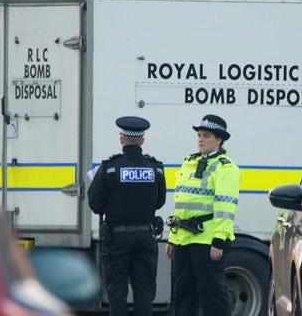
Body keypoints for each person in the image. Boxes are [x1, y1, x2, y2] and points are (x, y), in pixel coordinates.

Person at [87, 116, 166, 316]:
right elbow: (160, 202)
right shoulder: (155, 168)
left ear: (121, 140)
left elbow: (95, 204)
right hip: (145, 237)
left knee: (117, 293)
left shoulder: (109, 168)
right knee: (144, 293)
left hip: (117, 239)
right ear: (142, 141)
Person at [164, 114, 241, 316]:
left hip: (207, 240)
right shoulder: (189, 162)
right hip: (184, 238)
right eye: (199, 134)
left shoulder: (226, 167)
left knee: (211, 293)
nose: (200, 139)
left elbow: (226, 206)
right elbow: (181, 203)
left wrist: (219, 240)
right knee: (183, 293)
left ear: (219, 139)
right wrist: (173, 237)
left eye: (206, 135)